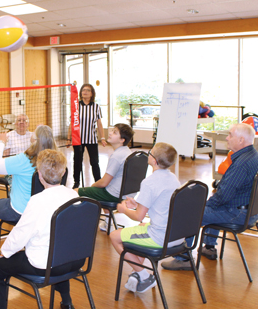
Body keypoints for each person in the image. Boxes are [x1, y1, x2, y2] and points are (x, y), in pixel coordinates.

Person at [0, 149, 82, 309]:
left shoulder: (37, 201)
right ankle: (66, 301)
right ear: (64, 172)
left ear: (39, 175)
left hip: (45, 265)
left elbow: (18, 236)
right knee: (59, 247)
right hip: (75, 260)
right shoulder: (74, 196)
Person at [162, 123, 258, 271]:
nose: (227, 138)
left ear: (240, 140)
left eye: (230, 135)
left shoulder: (241, 164)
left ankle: (183, 259)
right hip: (248, 212)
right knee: (210, 206)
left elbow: (223, 195)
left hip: (236, 214)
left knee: (189, 213)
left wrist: (203, 206)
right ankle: (209, 246)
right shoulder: (253, 155)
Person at [0, 125, 57, 260]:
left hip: (21, 210)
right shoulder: (56, 161)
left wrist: (0, 142)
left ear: (34, 140)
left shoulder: (25, 159)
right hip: (44, 210)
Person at [110, 142, 180, 293]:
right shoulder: (173, 178)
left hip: (161, 237)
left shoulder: (149, 182)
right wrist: (137, 204)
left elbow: (138, 216)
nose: (148, 154)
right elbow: (160, 204)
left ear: (154, 161)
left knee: (114, 236)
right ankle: (139, 273)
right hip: (177, 234)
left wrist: (123, 209)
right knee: (139, 229)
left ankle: (144, 275)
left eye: (151, 152)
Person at [77, 123, 135, 231]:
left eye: (115, 132)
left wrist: (93, 186)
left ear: (122, 140)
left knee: (76, 191)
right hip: (125, 193)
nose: (110, 133)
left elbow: (104, 182)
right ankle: (108, 223)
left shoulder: (117, 156)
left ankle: (80, 224)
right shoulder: (127, 152)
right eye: (112, 130)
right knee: (101, 190)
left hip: (114, 194)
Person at [67, 83, 107, 189]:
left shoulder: (96, 107)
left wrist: (102, 138)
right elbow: (72, 123)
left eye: (88, 90)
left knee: (94, 161)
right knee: (77, 161)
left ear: (92, 93)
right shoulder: (76, 105)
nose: (85, 92)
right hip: (78, 139)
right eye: (83, 90)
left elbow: (99, 123)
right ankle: (76, 182)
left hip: (92, 139)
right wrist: (68, 138)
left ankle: (98, 182)